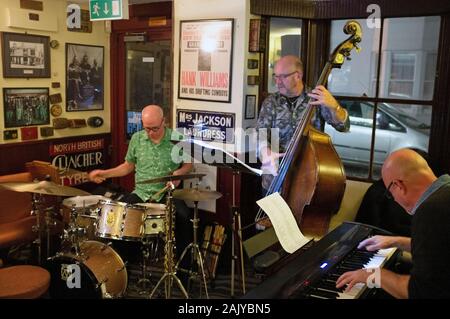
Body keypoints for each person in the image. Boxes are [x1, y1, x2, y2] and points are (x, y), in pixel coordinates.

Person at [88, 105, 193, 276]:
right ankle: (124, 268)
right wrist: (104, 173)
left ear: (164, 121)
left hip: (167, 193)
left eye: (155, 128)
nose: (150, 133)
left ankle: (183, 269)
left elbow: (188, 165)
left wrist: (178, 174)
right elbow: (128, 166)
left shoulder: (177, 138)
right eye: (147, 128)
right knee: (119, 218)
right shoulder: (137, 138)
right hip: (141, 192)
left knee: (184, 217)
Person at [336, 148, 450, 299]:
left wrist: (374, 275)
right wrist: (398, 241)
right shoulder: (445, 193)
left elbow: (419, 292)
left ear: (398, 185)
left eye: (390, 192)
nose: (394, 199)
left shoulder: (430, 210)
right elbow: (439, 250)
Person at [256, 55, 350, 193]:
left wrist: (334, 106)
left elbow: (344, 126)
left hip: (308, 178)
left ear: (298, 75)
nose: (277, 82)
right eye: (275, 76)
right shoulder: (271, 102)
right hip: (274, 179)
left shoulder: (317, 98)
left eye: (282, 77)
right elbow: (260, 134)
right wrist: (265, 152)